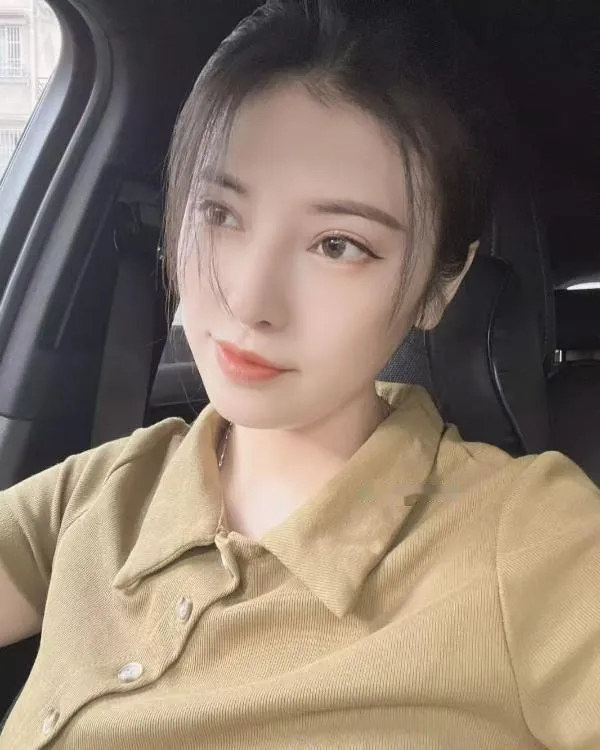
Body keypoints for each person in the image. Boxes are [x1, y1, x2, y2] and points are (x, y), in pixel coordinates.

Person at [1, 0, 599, 748]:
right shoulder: (99, 492)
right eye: (221, 214)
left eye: (338, 245)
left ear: (440, 286)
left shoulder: (530, 538)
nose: (250, 302)